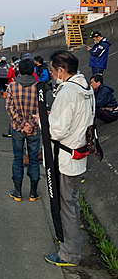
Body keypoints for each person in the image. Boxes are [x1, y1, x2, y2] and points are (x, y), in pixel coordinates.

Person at [44, 50, 94, 267]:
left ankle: (69, 254)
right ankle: (71, 248)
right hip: (78, 155)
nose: (53, 74)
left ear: (61, 71)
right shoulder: (86, 88)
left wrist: (43, 122)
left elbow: (57, 131)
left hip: (65, 158)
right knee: (72, 203)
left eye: (53, 70)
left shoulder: (66, 93)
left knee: (66, 206)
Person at [6, 58, 41, 202]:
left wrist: (22, 124)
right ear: (33, 70)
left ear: (19, 70)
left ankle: (17, 192)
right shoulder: (39, 87)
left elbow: (9, 108)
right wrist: (31, 124)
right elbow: (42, 109)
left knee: (17, 159)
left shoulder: (12, 86)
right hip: (34, 130)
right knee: (33, 160)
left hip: (17, 129)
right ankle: (33, 193)